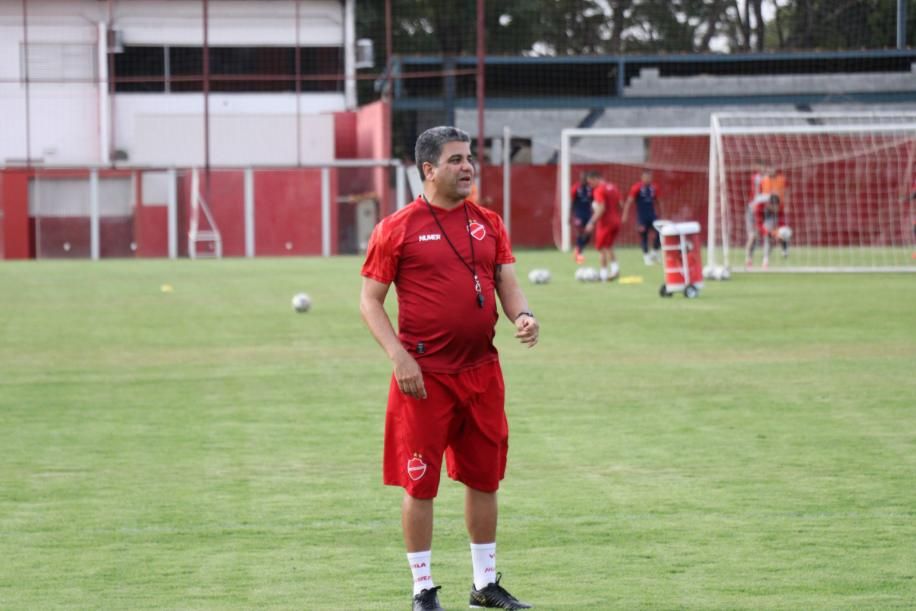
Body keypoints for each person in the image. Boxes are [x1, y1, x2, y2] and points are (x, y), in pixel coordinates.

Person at [360, 126, 538, 611]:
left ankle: (484, 583)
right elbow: (370, 302)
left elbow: (507, 283)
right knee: (420, 483)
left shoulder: (489, 222)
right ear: (428, 170)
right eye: (456, 160)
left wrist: (523, 314)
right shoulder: (396, 228)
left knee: (485, 479)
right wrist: (400, 357)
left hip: (482, 372)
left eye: (469, 158)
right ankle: (423, 588)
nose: (468, 167)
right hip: (424, 378)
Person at [584, 173, 622, 281]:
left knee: (601, 249)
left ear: (596, 179)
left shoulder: (599, 190)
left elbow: (601, 208)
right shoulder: (613, 187)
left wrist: (591, 222)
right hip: (616, 221)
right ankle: (615, 270)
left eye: (590, 182)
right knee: (608, 246)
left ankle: (603, 275)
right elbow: (620, 204)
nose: (590, 185)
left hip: (605, 223)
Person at [622, 169, 662, 265]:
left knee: (660, 233)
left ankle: (655, 252)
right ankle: (646, 257)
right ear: (642, 178)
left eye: (649, 177)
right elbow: (629, 202)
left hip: (653, 216)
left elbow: (659, 201)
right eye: (646, 177)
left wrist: (662, 213)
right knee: (643, 236)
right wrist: (625, 214)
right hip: (642, 218)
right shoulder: (636, 188)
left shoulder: (654, 188)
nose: (648, 179)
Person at [744, 161, 770, 268]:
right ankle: (748, 258)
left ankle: (765, 260)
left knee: (767, 234)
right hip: (752, 210)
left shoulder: (769, 179)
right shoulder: (756, 178)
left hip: (765, 211)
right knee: (752, 236)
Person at [570, 171, 598, 264]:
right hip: (578, 215)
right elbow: (572, 202)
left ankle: (578, 249)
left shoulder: (591, 189)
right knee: (580, 233)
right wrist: (569, 216)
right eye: (581, 178)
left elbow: (595, 200)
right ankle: (579, 254)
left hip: (589, 215)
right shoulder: (575, 188)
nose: (583, 180)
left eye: (584, 178)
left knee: (588, 235)